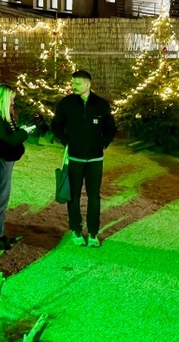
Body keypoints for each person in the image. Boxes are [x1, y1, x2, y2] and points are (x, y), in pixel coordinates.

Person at [51, 70, 117, 248]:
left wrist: (103, 144)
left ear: (88, 84)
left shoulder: (101, 105)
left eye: (78, 83)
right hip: (74, 158)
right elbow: (56, 126)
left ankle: (94, 233)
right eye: (73, 82)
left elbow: (111, 128)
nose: (74, 86)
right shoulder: (66, 104)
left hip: (95, 160)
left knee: (94, 196)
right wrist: (66, 143)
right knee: (73, 196)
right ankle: (76, 230)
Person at [0, 83, 36, 251]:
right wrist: (24, 133)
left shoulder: (2, 114)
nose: (13, 102)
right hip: (0, 160)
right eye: (11, 99)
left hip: (3, 159)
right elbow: (8, 141)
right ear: (3, 99)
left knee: (1, 198)